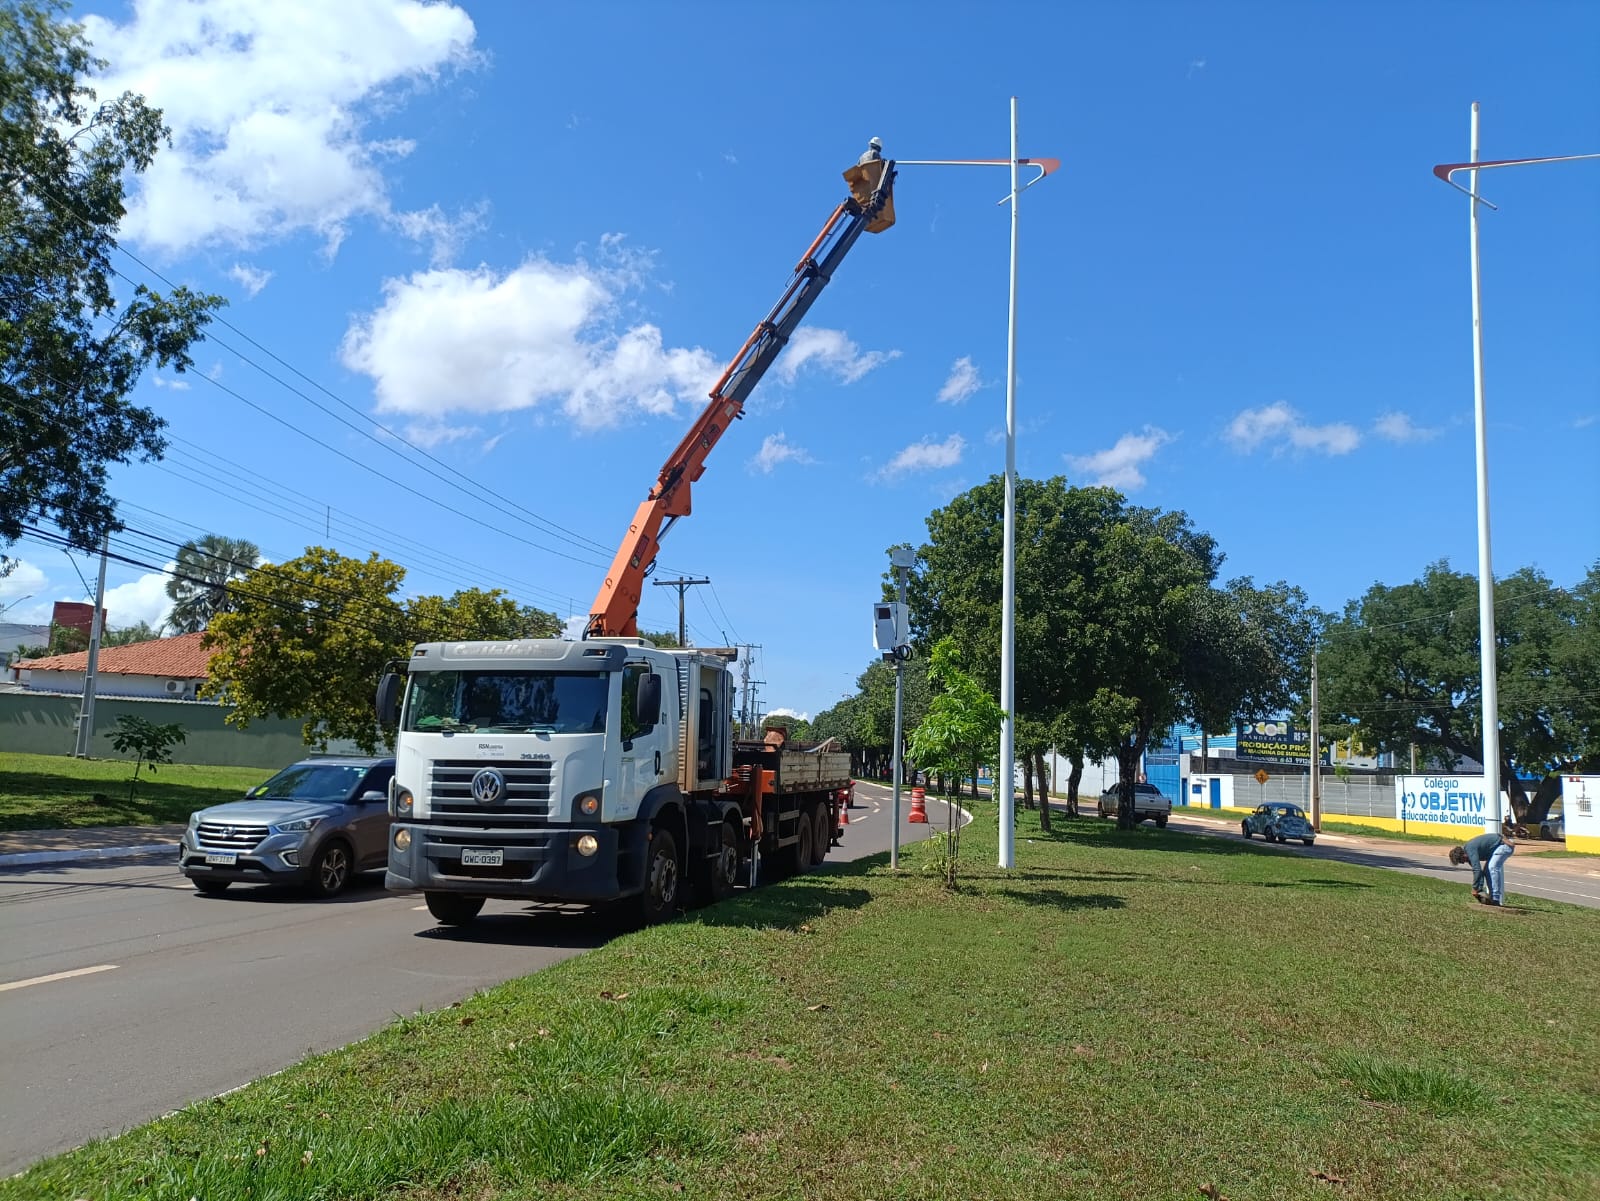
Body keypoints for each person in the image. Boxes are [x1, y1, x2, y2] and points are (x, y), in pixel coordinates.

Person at [1448, 826, 1515, 906]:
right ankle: (1493, 898)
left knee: (1492, 867)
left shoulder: (1470, 849)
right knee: (1487, 871)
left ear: (1463, 855)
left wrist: (1474, 888)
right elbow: (1480, 873)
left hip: (1505, 844)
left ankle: (1495, 899)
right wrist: (1479, 889)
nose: (1463, 863)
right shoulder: (1468, 854)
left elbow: (1477, 870)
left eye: (1461, 861)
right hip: (1497, 848)